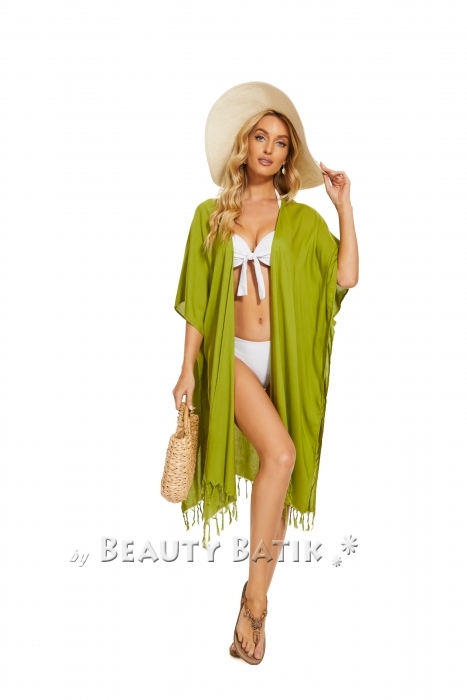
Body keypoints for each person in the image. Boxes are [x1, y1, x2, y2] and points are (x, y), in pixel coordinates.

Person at [172, 82, 359, 664]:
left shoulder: (298, 220)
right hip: (230, 360)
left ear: (288, 157)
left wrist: (343, 207)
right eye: (261, 137)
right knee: (281, 455)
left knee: (277, 487)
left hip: (285, 359)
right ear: (244, 144)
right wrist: (186, 369)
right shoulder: (211, 215)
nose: (270, 149)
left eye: (281, 143)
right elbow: (198, 301)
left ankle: (251, 610)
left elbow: (345, 278)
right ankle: (255, 605)